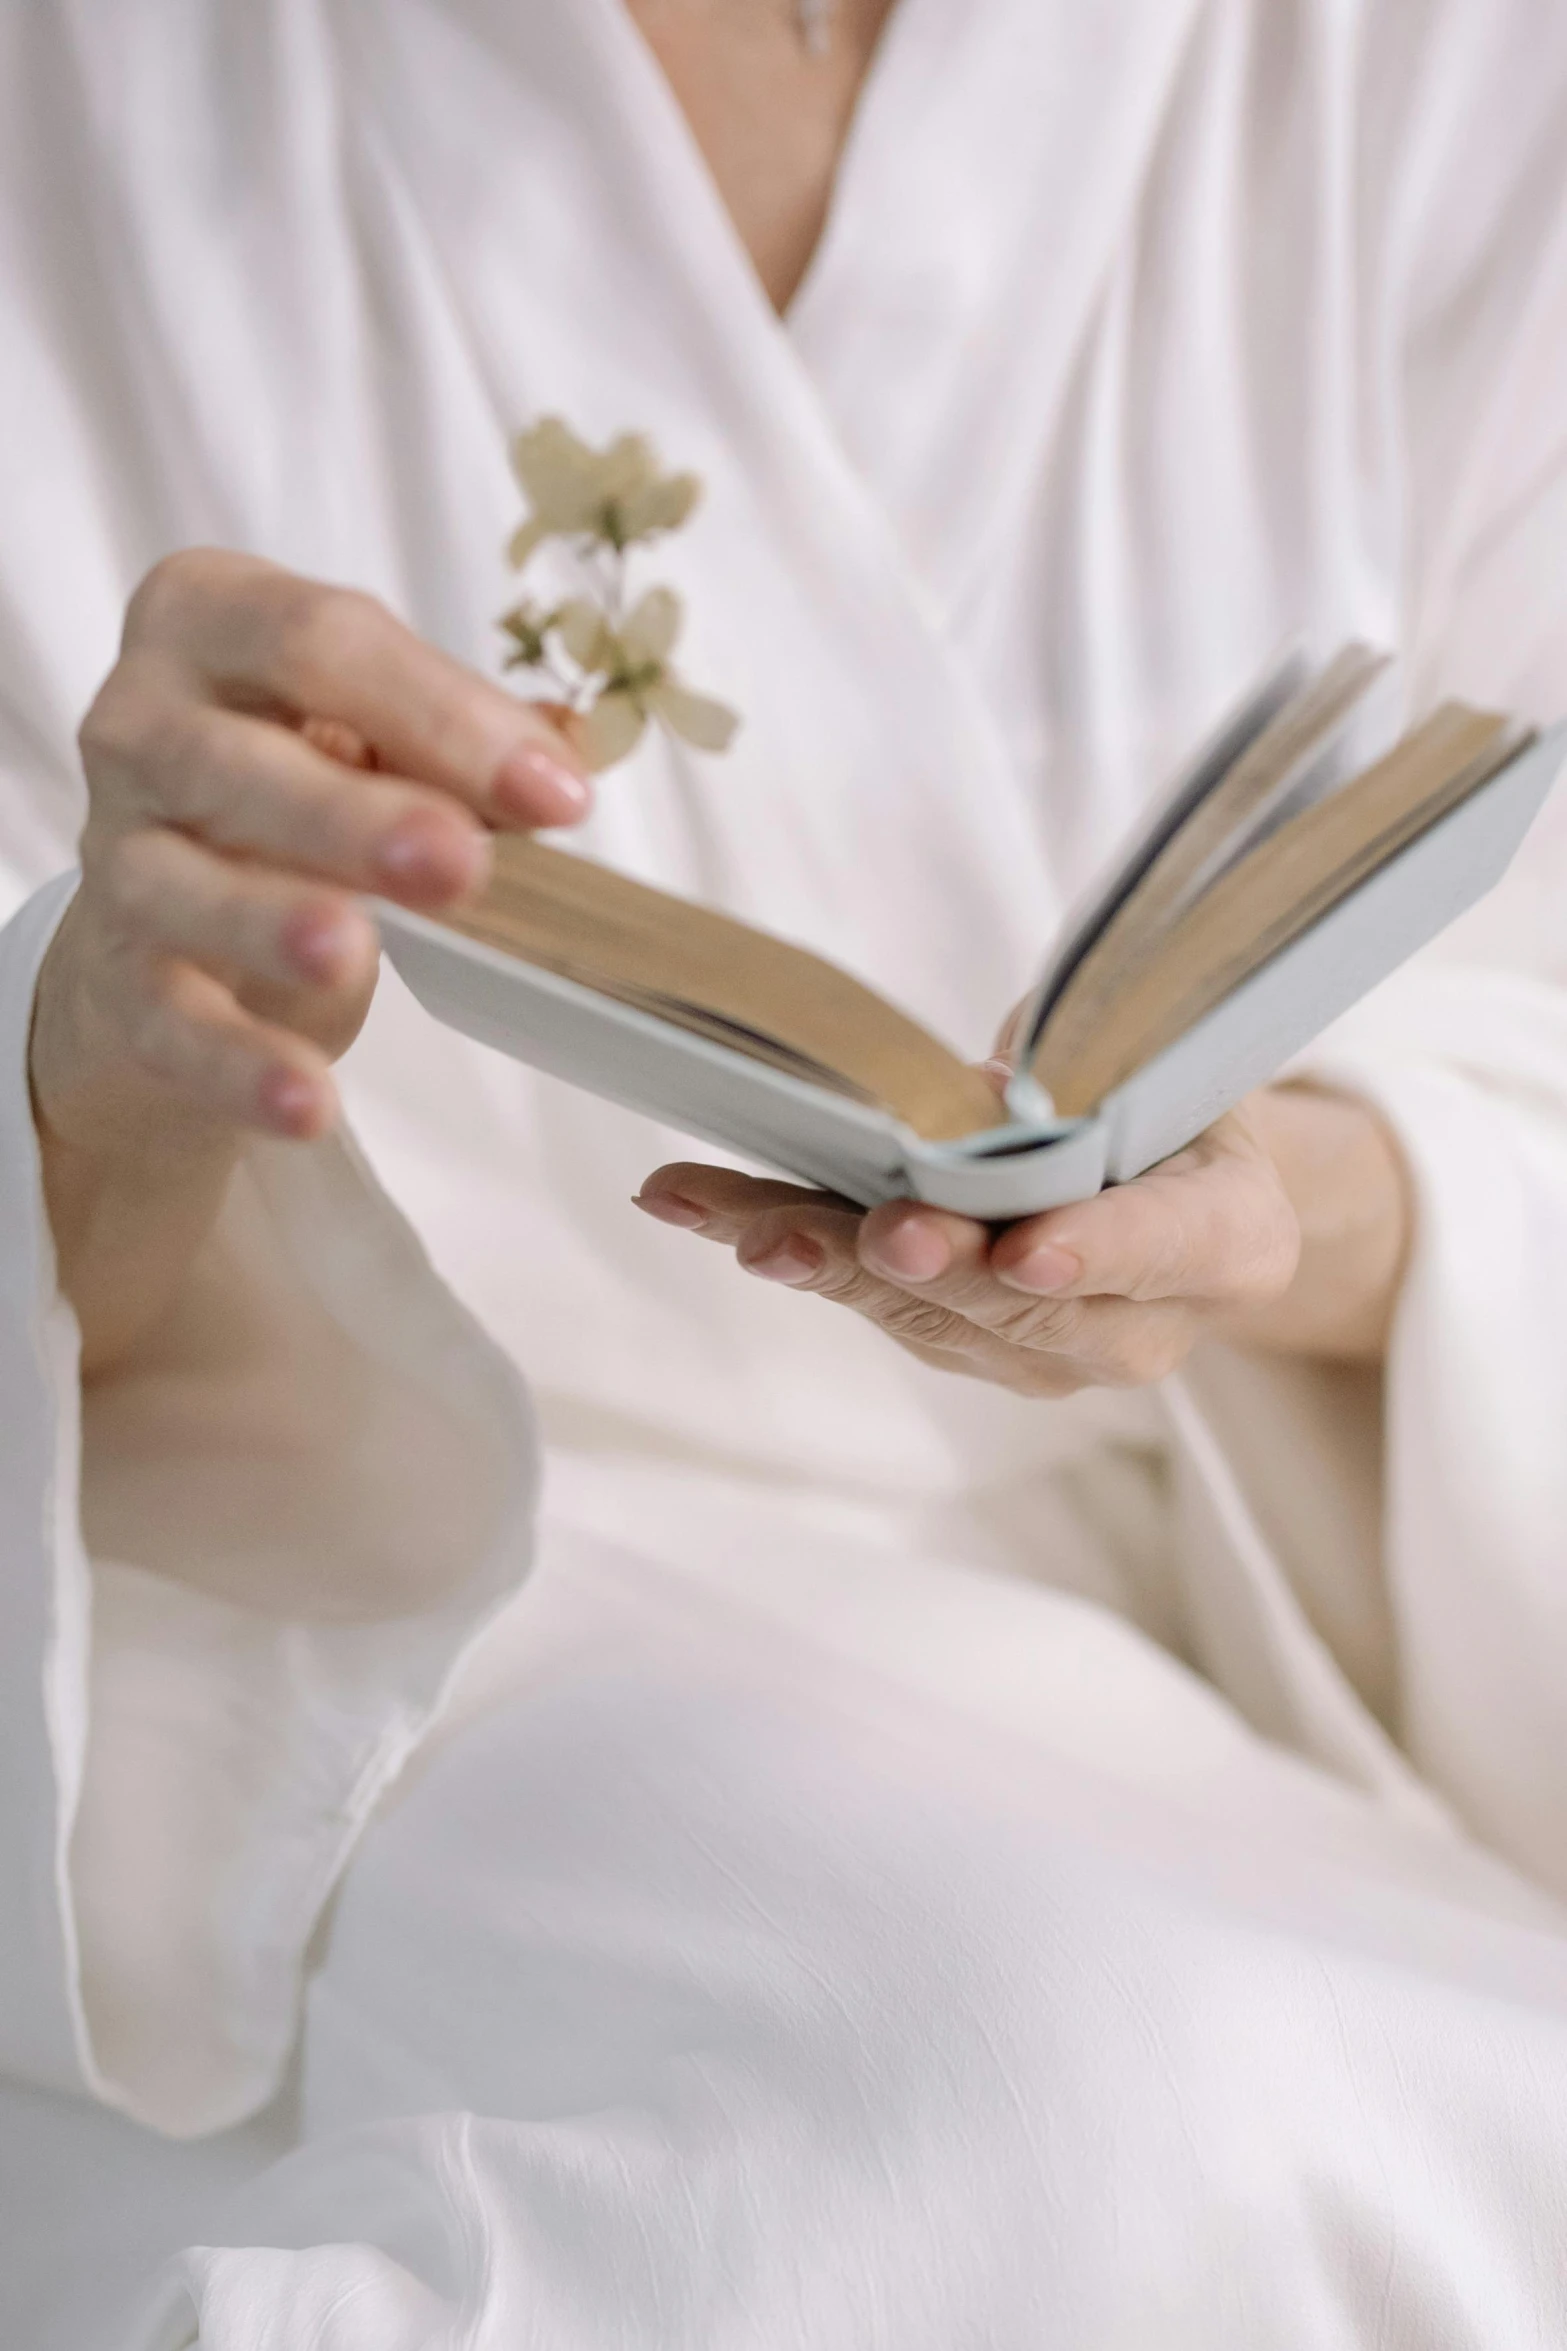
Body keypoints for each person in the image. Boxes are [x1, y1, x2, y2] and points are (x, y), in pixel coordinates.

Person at [2, 1, 1567, 2342]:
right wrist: (106, 1052)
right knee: (1060, 2109)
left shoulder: (1434, 62)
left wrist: (1296, 1205)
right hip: (414, 1604)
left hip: (1311, 1621)